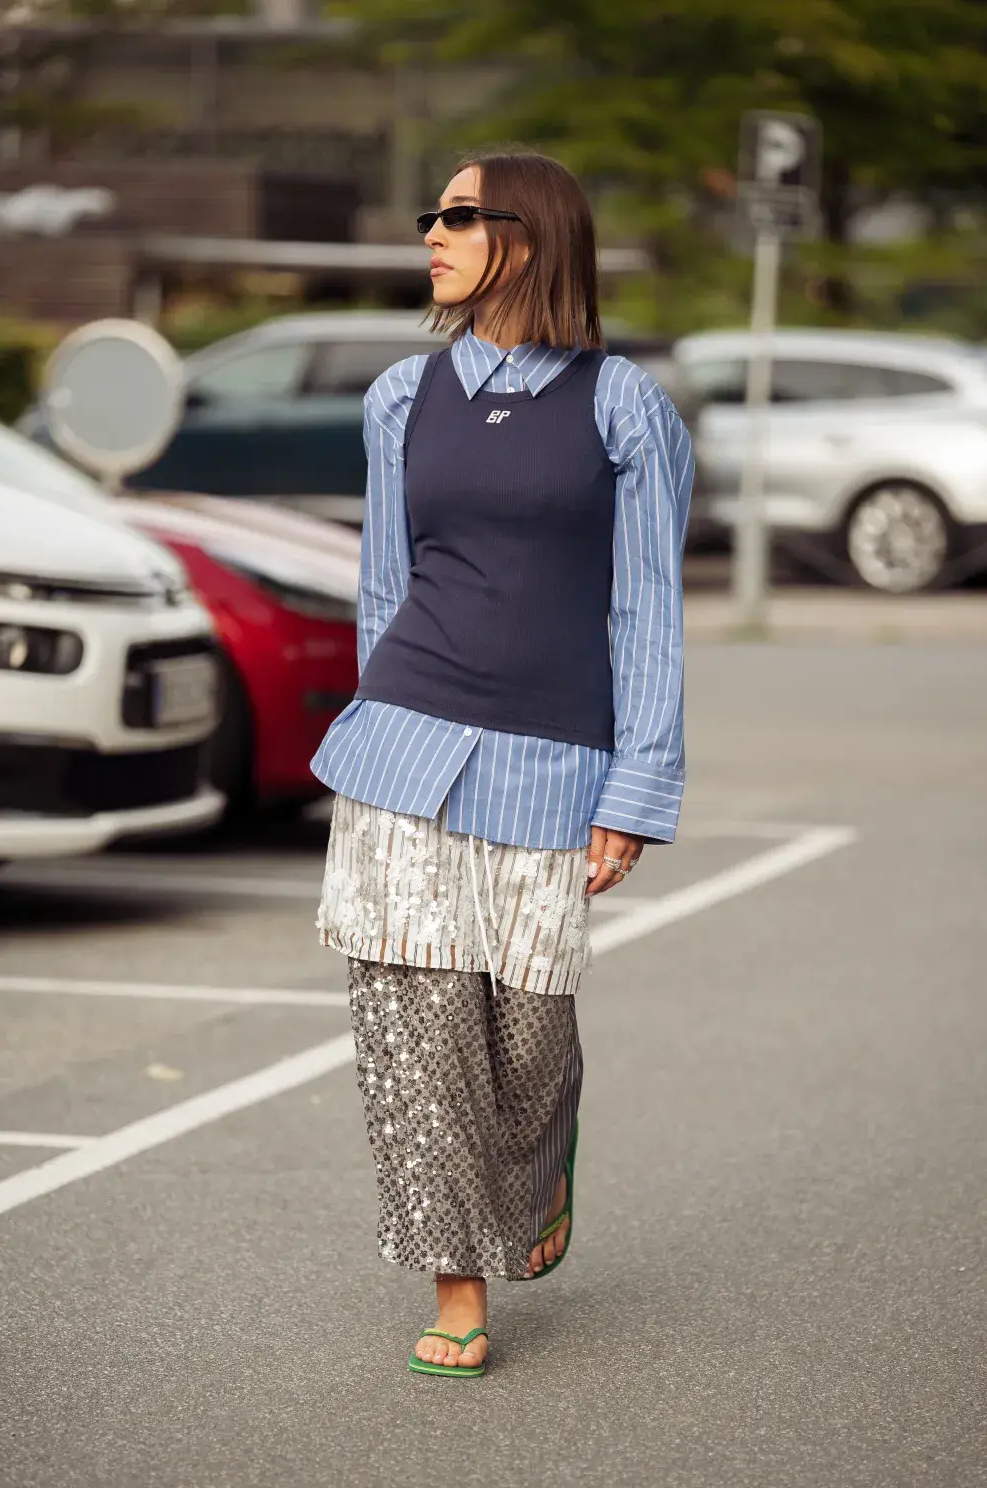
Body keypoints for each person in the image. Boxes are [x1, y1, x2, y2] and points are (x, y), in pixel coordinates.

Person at [311, 150, 693, 1379]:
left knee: (528, 1041)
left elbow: (648, 613)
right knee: (417, 1044)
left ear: (525, 239)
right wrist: (372, 724)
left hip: (552, 765)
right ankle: (458, 1285)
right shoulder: (399, 398)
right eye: (434, 214)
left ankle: (536, 1173)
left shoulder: (622, 405)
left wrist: (635, 790)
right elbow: (384, 587)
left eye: (460, 216)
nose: (433, 231)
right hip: (403, 750)